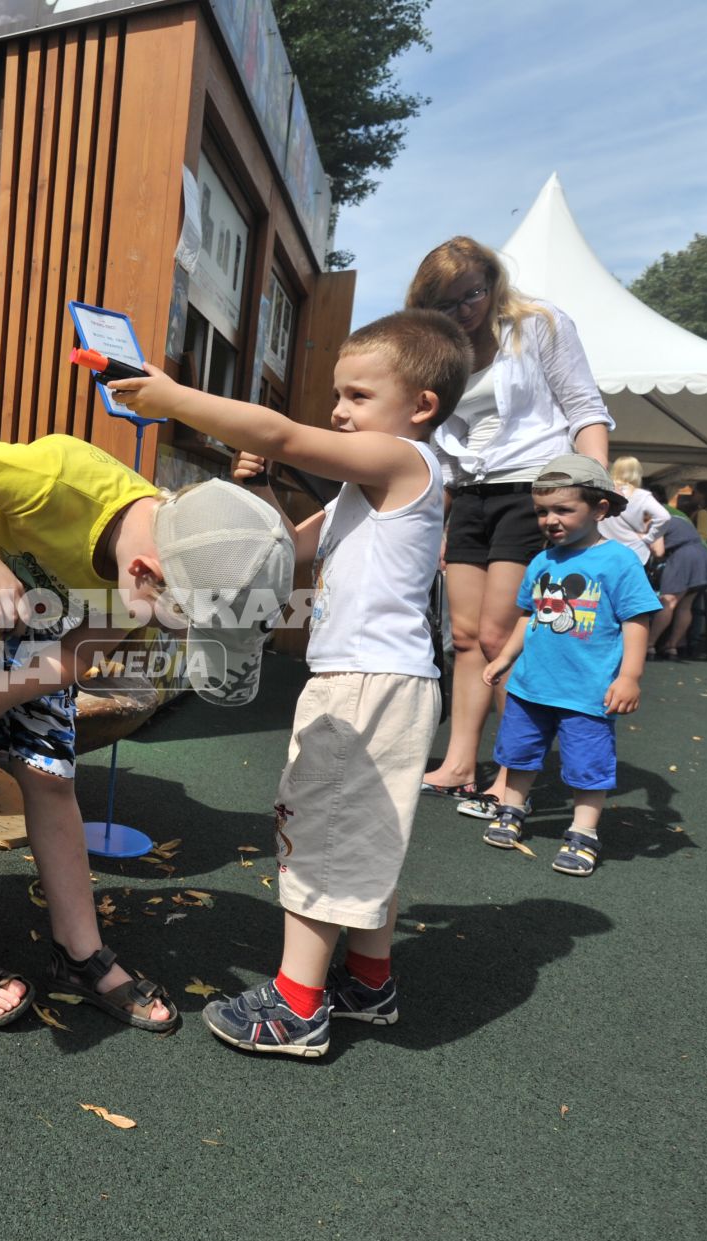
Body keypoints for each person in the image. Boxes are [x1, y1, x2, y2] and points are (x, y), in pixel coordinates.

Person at [113, 309, 473, 1058]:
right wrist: (269, 489)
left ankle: (296, 1006)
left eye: (357, 395)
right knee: (362, 836)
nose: (338, 410)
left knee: (315, 838)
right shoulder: (361, 491)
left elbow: (279, 430)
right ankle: (368, 983)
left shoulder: (407, 460)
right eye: (337, 395)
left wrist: (172, 397)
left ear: (422, 405)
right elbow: (286, 554)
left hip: (366, 684)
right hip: (372, 681)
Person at [0, 431, 291, 1032]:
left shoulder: (158, 560)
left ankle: (78, 951)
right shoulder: (55, 481)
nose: (173, 636)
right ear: (145, 572)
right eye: (182, 623)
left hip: (43, 631)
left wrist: (10, 692)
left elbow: (84, 647)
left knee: (51, 778)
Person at [401, 238, 613, 817]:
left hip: (534, 489)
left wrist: (592, 485)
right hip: (469, 493)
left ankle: (512, 774)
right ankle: (461, 765)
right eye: (449, 302)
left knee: (501, 637)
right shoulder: (438, 350)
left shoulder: (538, 324)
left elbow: (584, 408)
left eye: (475, 292)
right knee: (464, 637)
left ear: (495, 282)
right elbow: (438, 440)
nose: (467, 308)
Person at [479, 455, 660, 876]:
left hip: (587, 690)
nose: (550, 520)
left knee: (587, 763)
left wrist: (630, 676)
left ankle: (584, 832)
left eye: (563, 509)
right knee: (518, 754)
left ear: (600, 509)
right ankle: (512, 809)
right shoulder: (543, 561)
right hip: (530, 685)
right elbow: (530, 614)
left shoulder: (619, 561)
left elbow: (637, 620)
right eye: (542, 511)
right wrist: (506, 657)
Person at [648, 509, 707, 659]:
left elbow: (658, 551)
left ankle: (649, 644)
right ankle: (672, 646)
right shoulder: (679, 519)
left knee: (668, 602)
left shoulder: (658, 521)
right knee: (685, 606)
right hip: (703, 555)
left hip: (684, 557)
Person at [602, 456, 669, 569]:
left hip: (604, 552)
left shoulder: (603, 493)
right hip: (635, 554)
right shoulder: (641, 495)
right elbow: (664, 517)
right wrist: (649, 538)